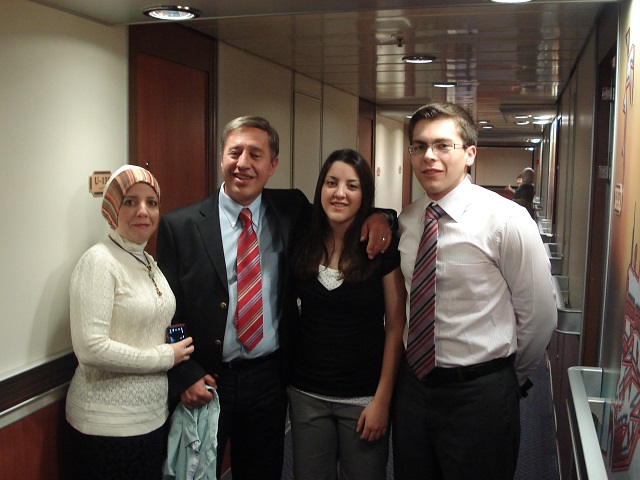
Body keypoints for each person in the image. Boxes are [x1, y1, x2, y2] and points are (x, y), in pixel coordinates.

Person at [156, 116, 392, 480]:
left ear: (272, 165)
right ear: (221, 158)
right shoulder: (180, 226)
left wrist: (380, 217)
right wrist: (184, 373)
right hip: (206, 381)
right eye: (235, 152)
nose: (243, 163)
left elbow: (340, 211)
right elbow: (167, 312)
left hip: (269, 379)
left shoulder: (290, 209)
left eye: (256, 154)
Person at [392, 102, 557, 480]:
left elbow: (539, 317)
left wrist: (504, 379)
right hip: (414, 389)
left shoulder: (507, 220)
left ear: (469, 153)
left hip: (481, 395)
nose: (428, 156)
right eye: (419, 146)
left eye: (442, 145)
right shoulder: (409, 220)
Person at [66, 165, 194, 480]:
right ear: (112, 209)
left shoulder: (147, 261)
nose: (143, 211)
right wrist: (165, 357)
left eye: (152, 202)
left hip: (152, 418)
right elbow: (91, 348)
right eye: (130, 202)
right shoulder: (99, 261)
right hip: (105, 426)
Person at [287, 149, 405, 480]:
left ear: (364, 194)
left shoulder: (380, 247)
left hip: (364, 397)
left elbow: (396, 326)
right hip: (306, 394)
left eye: (352, 186)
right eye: (331, 183)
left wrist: (382, 400)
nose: (340, 193)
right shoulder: (302, 237)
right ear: (320, 188)